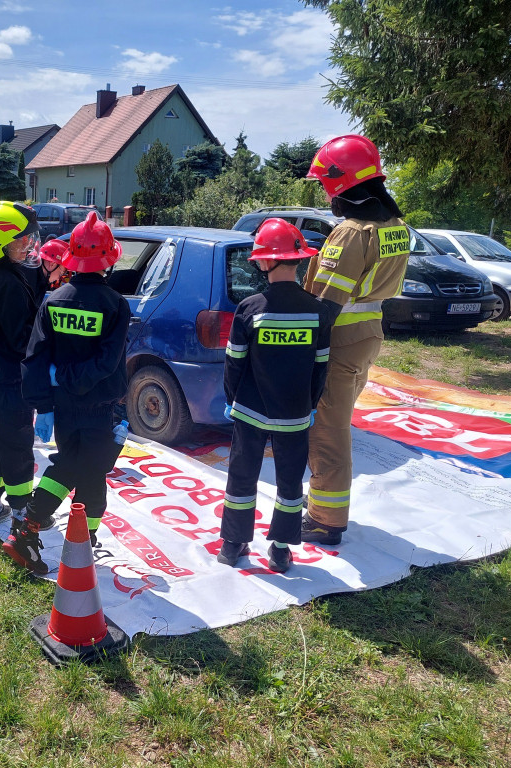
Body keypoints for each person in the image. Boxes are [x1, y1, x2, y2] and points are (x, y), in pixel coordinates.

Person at [301, 135, 411, 545]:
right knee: (338, 422)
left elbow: (327, 303)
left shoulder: (351, 232)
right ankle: (325, 510)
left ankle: (325, 520)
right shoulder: (396, 227)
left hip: (339, 339)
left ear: (338, 181)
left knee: (328, 430)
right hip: (368, 335)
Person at [5, 212, 129, 574]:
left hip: (63, 406)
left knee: (87, 472)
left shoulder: (54, 299)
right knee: (78, 467)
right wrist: (74, 382)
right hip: (97, 405)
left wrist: (46, 401)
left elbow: (35, 357)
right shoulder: (114, 304)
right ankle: (27, 529)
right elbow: (108, 362)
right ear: (110, 259)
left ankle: (81, 543)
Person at [217, 219, 332, 573]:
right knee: (289, 481)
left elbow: (234, 363)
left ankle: (234, 543)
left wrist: (231, 399)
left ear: (266, 262)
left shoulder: (250, 308)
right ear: (299, 259)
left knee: (241, 476)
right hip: (295, 414)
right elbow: (320, 367)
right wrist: (310, 406)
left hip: (250, 410)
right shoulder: (319, 311)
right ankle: (281, 549)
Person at [0, 201, 42, 527]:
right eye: (20, 239)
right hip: (14, 383)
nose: (27, 244)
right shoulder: (12, 284)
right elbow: (21, 340)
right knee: (18, 447)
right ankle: (20, 511)